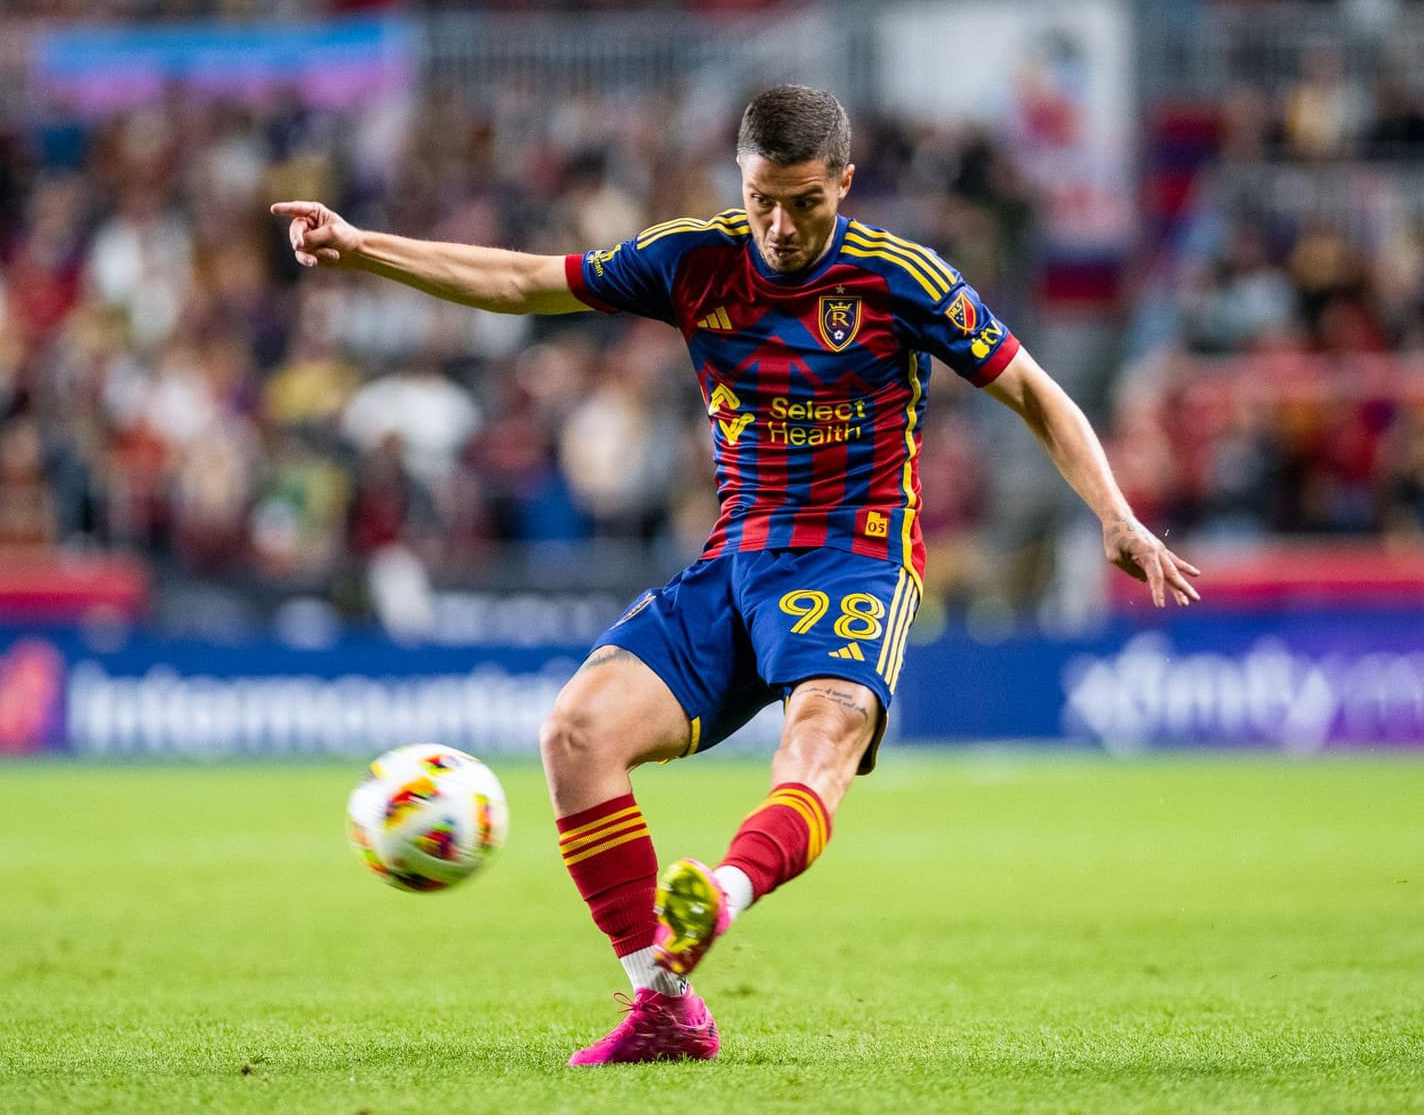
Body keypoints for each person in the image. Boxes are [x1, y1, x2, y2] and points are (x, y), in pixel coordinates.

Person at [273, 85, 1201, 1066]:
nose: (782, 222)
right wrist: (363, 245)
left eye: (805, 200)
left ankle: (722, 893)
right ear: (741, 180)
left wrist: (1116, 515)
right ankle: (662, 1006)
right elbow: (519, 282)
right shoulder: (691, 259)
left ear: (843, 182)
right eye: (764, 197)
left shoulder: (901, 278)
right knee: (575, 734)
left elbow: (1030, 389)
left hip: (857, 559)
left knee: (821, 736)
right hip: (735, 561)